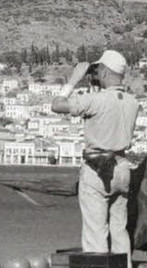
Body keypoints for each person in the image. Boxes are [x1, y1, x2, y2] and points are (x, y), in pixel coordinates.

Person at [51, 50, 140, 253]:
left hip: (97, 167)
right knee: (119, 231)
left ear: (105, 72)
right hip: (122, 167)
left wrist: (73, 80)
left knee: (96, 233)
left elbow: (56, 105)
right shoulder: (132, 102)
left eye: (97, 70)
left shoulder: (94, 100)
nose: (96, 74)